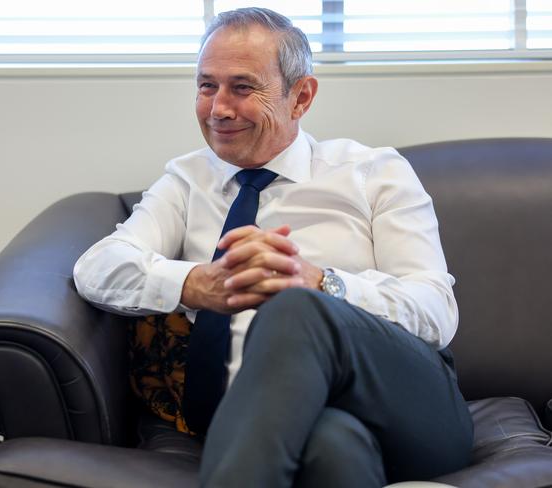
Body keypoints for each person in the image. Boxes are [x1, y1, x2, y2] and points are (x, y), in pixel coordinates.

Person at [73, 7, 473, 487]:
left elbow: (436, 312)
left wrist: (322, 284)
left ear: (301, 96)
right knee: (333, 447)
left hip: (408, 407)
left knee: (297, 308)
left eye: (242, 87)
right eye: (206, 86)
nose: (219, 108)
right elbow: (97, 268)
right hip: (259, 421)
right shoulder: (187, 180)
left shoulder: (374, 174)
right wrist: (197, 284)